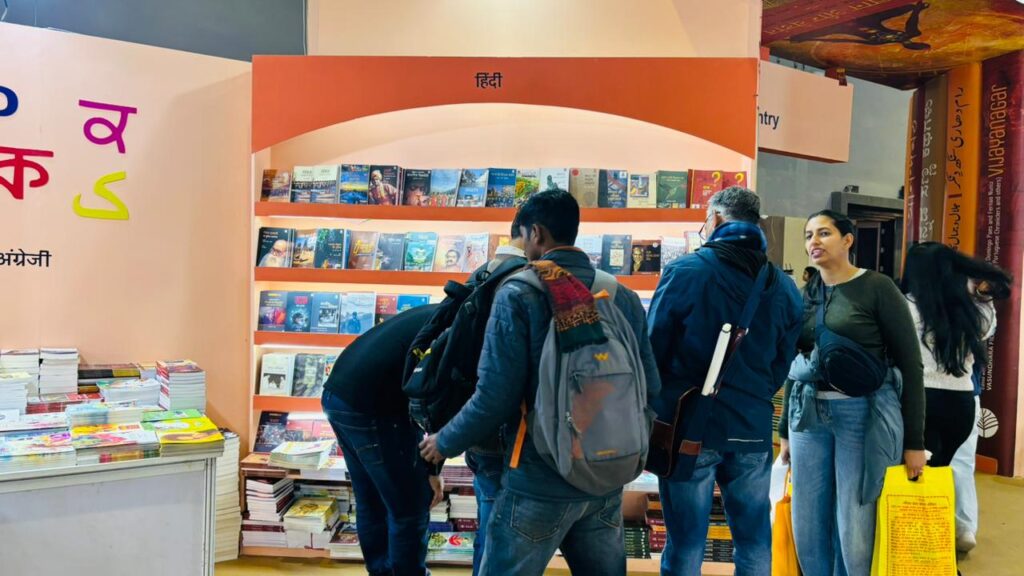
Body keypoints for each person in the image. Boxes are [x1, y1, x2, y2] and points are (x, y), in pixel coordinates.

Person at [418, 189, 661, 576]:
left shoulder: (520, 293)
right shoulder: (621, 295)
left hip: (538, 479)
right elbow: (651, 386)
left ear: (536, 233)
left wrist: (443, 441)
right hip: (607, 476)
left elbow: (495, 397)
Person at [647, 186, 803, 576]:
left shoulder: (686, 271)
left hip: (689, 427)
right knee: (754, 539)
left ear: (715, 218)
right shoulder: (783, 286)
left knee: (686, 541)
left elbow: (653, 350)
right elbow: (782, 362)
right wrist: (754, 394)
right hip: (752, 426)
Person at [779, 209, 926, 576]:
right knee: (807, 519)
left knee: (855, 522)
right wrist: (784, 431)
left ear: (847, 240)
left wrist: (914, 442)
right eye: (809, 235)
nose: (814, 241)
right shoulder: (805, 294)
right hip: (807, 416)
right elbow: (797, 365)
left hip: (862, 415)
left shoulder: (877, 287)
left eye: (824, 233)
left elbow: (911, 365)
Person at [320, 304, 445, 576]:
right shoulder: (464, 327)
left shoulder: (441, 311)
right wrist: (434, 468)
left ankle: (381, 572)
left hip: (338, 394)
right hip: (374, 406)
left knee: (371, 498)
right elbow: (441, 400)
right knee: (410, 506)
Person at [902, 243, 1012, 551]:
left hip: (920, 401)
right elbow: (989, 323)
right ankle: (947, 539)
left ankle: (917, 546)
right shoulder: (972, 310)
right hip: (961, 404)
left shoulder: (905, 307)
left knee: (913, 474)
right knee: (946, 470)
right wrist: (982, 292)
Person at [461, 215, 528, 576]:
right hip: (514, 429)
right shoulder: (526, 284)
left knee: (488, 518)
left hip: (480, 427)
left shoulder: (478, 276)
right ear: (534, 234)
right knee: (510, 530)